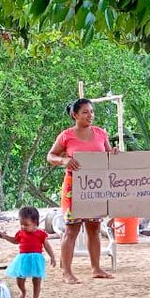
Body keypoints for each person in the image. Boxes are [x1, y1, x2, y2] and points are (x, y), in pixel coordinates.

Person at [46, 98, 116, 283]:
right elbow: (50, 156)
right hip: (74, 187)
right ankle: (67, 272)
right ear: (74, 115)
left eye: (91, 112)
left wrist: (114, 154)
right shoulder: (66, 136)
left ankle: (96, 268)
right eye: (85, 112)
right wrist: (64, 160)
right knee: (72, 229)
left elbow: (110, 157)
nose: (90, 115)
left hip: (96, 187)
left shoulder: (101, 134)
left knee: (94, 228)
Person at [0, 205, 56, 298]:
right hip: (23, 259)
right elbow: (15, 241)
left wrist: (52, 256)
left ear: (35, 223)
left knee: (37, 280)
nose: (23, 227)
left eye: (26, 225)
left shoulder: (41, 234)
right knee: (20, 278)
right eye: (21, 224)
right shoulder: (21, 233)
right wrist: (5, 236)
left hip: (36, 259)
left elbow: (47, 245)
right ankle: (23, 291)